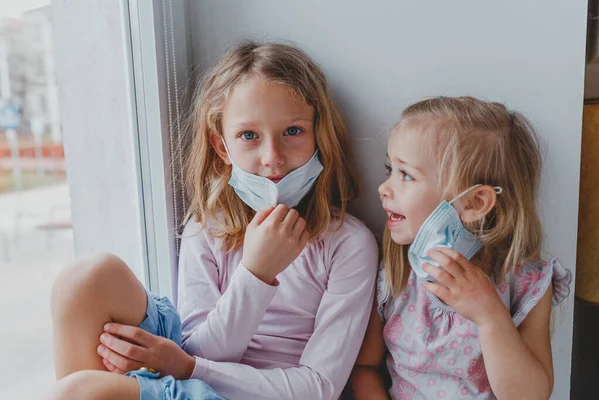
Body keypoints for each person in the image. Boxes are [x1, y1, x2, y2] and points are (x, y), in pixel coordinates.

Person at [47, 41, 378, 400]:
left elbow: (319, 388)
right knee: (84, 281)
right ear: (222, 147)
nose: (273, 158)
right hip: (196, 370)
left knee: (79, 392)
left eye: (293, 131)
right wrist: (256, 272)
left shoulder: (349, 243)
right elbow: (200, 352)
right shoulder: (207, 228)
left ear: (319, 134)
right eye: (249, 136)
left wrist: (256, 275)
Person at [351, 96, 571, 399]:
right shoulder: (393, 274)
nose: (384, 188)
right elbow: (364, 369)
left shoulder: (525, 283)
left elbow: (530, 395)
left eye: (406, 175)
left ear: (474, 203)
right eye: (390, 168)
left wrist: (490, 315)